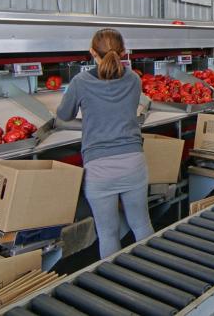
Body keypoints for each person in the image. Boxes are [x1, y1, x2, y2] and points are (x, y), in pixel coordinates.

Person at [56, 28, 152, 257]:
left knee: (108, 233)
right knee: (142, 225)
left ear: (91, 52)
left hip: (99, 168)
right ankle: (155, 272)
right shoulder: (134, 79)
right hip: (133, 163)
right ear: (124, 52)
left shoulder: (80, 82)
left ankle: (113, 285)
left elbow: (64, 115)